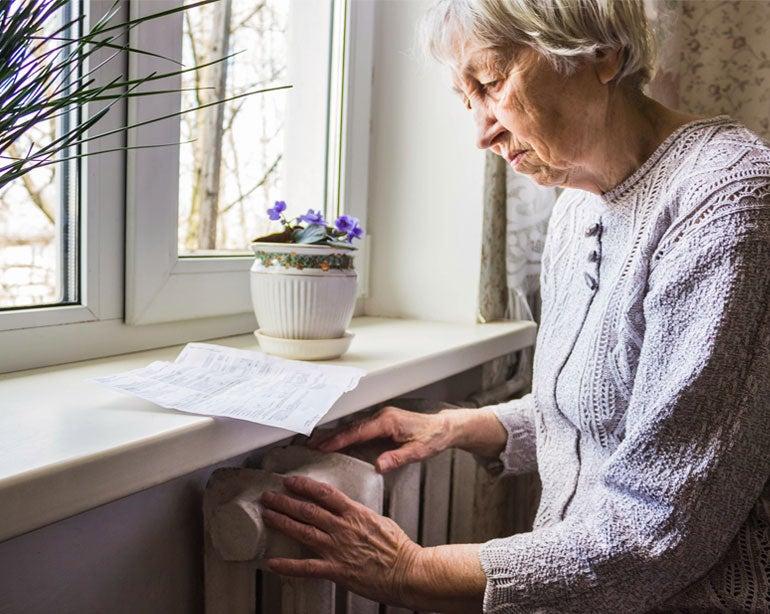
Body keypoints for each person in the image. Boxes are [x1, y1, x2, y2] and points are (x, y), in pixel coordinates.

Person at [257, 1, 770, 611]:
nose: (481, 132)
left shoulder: (725, 200)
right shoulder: (577, 204)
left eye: (492, 83)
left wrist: (410, 570)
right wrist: (458, 425)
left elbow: (659, 526)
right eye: (464, 98)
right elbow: (607, 408)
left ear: (599, 52)